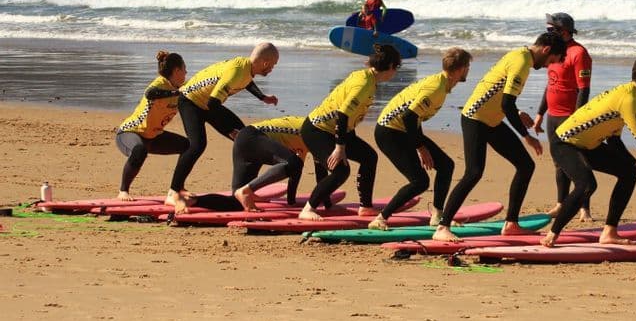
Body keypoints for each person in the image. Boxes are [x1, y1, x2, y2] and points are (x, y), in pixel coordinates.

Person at [433, 32, 567, 242]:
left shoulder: (519, 56)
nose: (549, 65)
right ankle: (443, 226)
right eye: (551, 60)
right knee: (474, 172)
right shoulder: (522, 62)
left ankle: (511, 224)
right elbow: (506, 102)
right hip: (475, 118)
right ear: (546, 50)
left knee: (525, 165)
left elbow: (500, 93)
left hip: (492, 120)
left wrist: (518, 111)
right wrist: (526, 136)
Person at [542, 56, 636, 247]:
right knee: (586, 185)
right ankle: (553, 234)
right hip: (565, 143)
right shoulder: (629, 99)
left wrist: (635, 164)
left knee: (629, 173)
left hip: (588, 145)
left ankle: (609, 232)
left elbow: (614, 140)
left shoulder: (627, 94)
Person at [165, 43, 280, 214]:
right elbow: (213, 103)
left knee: (249, 140)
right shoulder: (237, 72)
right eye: (273, 64)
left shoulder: (246, 67)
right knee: (197, 145)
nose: (272, 68)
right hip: (190, 101)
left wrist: (262, 97)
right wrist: (229, 129)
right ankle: (174, 191)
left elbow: (247, 82)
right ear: (264, 62)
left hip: (207, 104)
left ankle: (246, 190)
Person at [367, 48, 473, 230]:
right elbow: (409, 117)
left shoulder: (441, 83)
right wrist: (421, 148)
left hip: (403, 130)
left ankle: (438, 216)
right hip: (389, 132)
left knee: (446, 165)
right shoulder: (436, 89)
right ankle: (381, 218)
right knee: (420, 182)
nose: (468, 70)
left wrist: (420, 143)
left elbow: (415, 117)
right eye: (468, 66)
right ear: (461, 69)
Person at [298, 44, 402, 220]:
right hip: (317, 130)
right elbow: (343, 114)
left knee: (369, 157)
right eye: (397, 67)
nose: (396, 72)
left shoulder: (368, 77)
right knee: (341, 171)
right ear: (391, 66)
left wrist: (345, 142)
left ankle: (366, 207)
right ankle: (308, 209)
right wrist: (340, 147)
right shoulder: (364, 84)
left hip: (337, 130)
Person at [532, 12, 594, 222]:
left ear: (564, 31)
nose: (548, 33)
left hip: (571, 116)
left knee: (579, 163)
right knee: (559, 162)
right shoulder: (553, 51)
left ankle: (584, 208)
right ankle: (561, 204)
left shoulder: (579, 53)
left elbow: (583, 90)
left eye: (552, 30)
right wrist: (540, 113)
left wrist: (578, 120)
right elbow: (550, 83)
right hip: (553, 115)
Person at [180, 116, 307, 213]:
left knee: (236, 202)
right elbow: (303, 168)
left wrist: (291, 202)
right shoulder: (314, 132)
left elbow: (296, 171)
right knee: (293, 162)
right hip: (252, 138)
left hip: (245, 140)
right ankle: (247, 191)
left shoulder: (310, 138)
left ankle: (192, 201)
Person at [115, 51, 189, 200]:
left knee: (187, 146)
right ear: (176, 71)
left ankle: (178, 188)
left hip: (154, 137)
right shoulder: (161, 83)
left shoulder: (182, 87)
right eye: (184, 69)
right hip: (130, 132)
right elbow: (150, 93)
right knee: (139, 151)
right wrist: (177, 93)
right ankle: (123, 191)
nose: (186, 72)